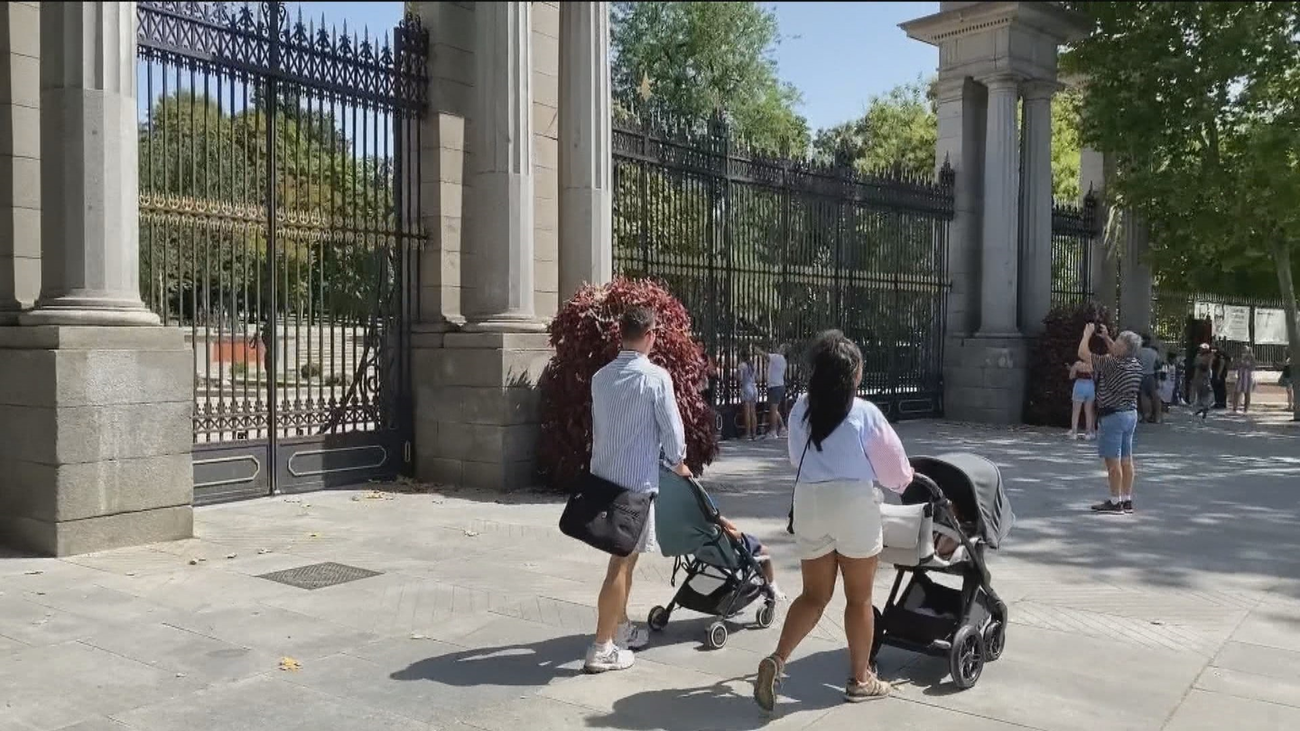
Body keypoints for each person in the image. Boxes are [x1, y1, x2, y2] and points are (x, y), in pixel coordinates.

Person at [753, 330, 914, 712]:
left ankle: (777, 660)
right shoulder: (865, 413)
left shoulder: (800, 410)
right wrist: (905, 481)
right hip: (853, 504)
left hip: (810, 502)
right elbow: (895, 472)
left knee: (814, 596)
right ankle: (861, 679)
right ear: (853, 375)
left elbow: (796, 458)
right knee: (858, 599)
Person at [585, 306, 692, 674]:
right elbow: (672, 433)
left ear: (621, 334)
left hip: (601, 480)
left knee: (625, 560)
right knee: (620, 563)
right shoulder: (655, 378)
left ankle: (621, 626)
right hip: (635, 486)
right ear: (650, 336)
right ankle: (601, 646)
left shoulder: (600, 377)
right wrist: (678, 462)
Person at [1080, 324, 1144, 515]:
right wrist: (1107, 338)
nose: (1113, 343)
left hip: (1112, 415)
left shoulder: (1112, 364)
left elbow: (1083, 353)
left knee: (1113, 462)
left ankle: (1115, 502)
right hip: (1130, 414)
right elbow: (1117, 352)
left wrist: (1087, 335)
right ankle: (1127, 499)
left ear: (1124, 348)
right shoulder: (1135, 364)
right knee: (1127, 459)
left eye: (1117, 342)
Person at [1067, 358, 1096, 440]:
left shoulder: (1077, 364)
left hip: (1079, 385)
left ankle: (1074, 433)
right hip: (1090, 386)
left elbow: (1071, 376)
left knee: (1076, 411)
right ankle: (1088, 433)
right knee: (1089, 411)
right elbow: (1096, 377)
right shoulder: (1093, 364)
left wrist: (1072, 369)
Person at [1137, 335, 1162, 424]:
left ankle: (1145, 416)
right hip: (1151, 375)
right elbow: (1159, 365)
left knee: (1143, 396)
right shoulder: (1154, 353)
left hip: (1140, 375)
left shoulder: (1138, 352)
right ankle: (1157, 417)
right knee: (1154, 396)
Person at [766, 344, 789, 439]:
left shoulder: (777, 357)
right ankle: (783, 428)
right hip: (779, 385)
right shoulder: (782, 360)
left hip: (774, 386)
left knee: (773, 409)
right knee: (775, 409)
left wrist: (755, 348)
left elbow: (765, 355)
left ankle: (773, 431)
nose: (779, 347)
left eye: (781, 347)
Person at [737, 349, 760, 439]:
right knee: (753, 412)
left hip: (746, 387)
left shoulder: (741, 365)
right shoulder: (752, 365)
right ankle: (754, 433)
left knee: (747, 412)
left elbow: (740, 378)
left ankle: (747, 433)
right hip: (754, 388)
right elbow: (758, 378)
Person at [1190, 343, 1215, 420]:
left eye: (1202, 348)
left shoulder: (1209, 356)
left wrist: (1208, 375)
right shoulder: (1198, 356)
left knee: (1206, 392)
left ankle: (1204, 408)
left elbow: (1209, 367)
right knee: (1199, 392)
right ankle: (1201, 407)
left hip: (1204, 376)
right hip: (1198, 375)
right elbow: (1195, 365)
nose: (1201, 350)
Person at [1231, 346, 1257, 413]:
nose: (1244, 352)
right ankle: (1235, 407)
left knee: (1247, 393)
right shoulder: (1239, 358)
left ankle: (1246, 408)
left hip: (1248, 377)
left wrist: (1245, 364)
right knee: (1237, 392)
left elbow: (1253, 367)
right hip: (1240, 376)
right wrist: (1238, 363)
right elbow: (1234, 365)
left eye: (1245, 351)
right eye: (1243, 351)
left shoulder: (1251, 358)